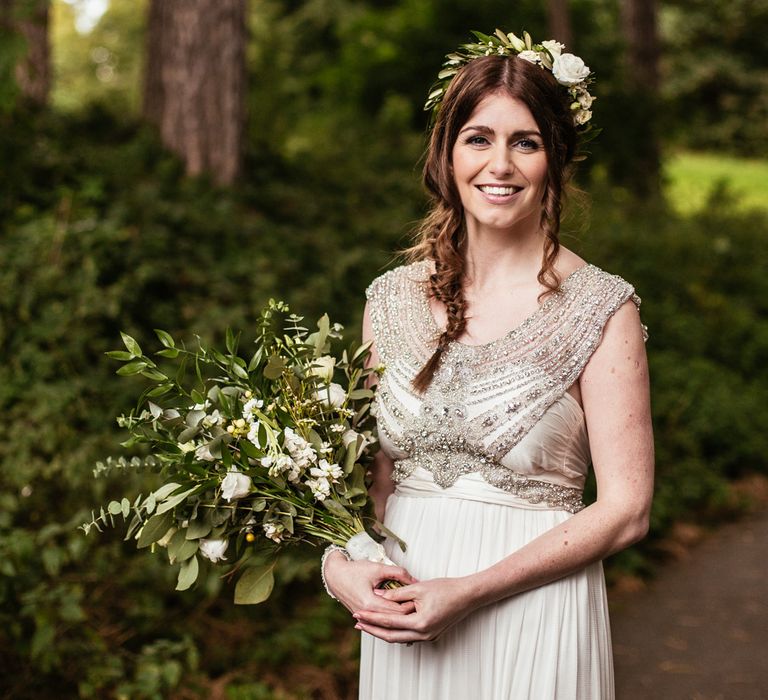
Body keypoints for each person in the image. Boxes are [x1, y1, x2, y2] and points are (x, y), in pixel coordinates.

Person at [322, 29, 654, 699]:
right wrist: (339, 565)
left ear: (553, 160)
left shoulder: (601, 308)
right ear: (446, 155)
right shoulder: (389, 301)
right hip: (405, 615)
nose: (498, 164)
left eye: (524, 142)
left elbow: (626, 509)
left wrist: (470, 592)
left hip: (535, 614)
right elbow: (371, 486)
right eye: (478, 138)